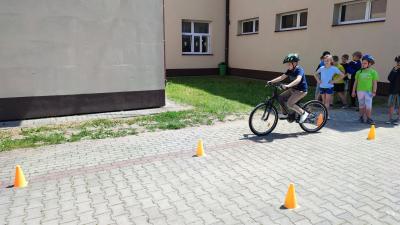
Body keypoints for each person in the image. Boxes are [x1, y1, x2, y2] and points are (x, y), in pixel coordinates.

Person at [267, 53, 309, 123]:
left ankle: (304, 113)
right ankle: (285, 114)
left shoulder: (299, 70)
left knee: (290, 103)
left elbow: (298, 79)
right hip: (293, 89)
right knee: (280, 98)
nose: (287, 65)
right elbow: (282, 77)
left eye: (289, 64)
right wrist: (271, 81)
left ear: (295, 63)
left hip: (301, 91)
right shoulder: (290, 70)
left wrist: (288, 85)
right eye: (287, 64)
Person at [352, 55, 379, 124]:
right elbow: (355, 82)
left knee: (368, 105)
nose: (363, 64)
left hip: (368, 92)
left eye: (365, 63)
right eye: (362, 63)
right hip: (359, 91)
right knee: (361, 105)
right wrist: (353, 91)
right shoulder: (359, 72)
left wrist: (374, 91)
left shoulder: (373, 72)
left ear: (369, 64)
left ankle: (368, 118)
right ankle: (361, 117)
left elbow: (374, 83)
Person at [386, 55, 400, 125]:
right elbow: (389, 78)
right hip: (393, 90)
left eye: (399, 62)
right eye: (397, 62)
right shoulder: (394, 69)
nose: (398, 63)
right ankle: (390, 118)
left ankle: (398, 119)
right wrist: (394, 70)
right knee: (391, 105)